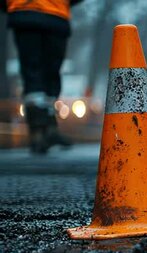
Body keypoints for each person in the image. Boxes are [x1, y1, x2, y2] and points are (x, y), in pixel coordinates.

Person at [2, 0, 81, 154]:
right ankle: (48, 128)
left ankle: (38, 131)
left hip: (24, 12)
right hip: (55, 14)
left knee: (32, 72)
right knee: (51, 73)